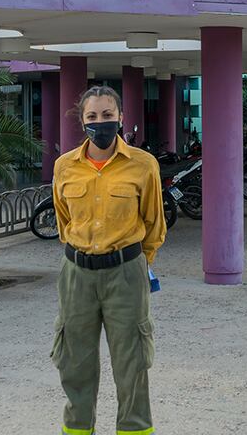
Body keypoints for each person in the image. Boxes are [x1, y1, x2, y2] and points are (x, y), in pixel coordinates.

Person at [51, 86, 167, 435]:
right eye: (92, 117)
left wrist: (134, 262)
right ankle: (78, 428)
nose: (100, 123)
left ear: (120, 118)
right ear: (82, 121)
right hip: (77, 275)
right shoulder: (65, 166)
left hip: (125, 274)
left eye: (107, 115)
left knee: (132, 365)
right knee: (74, 363)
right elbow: (63, 221)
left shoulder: (144, 165)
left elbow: (154, 225)